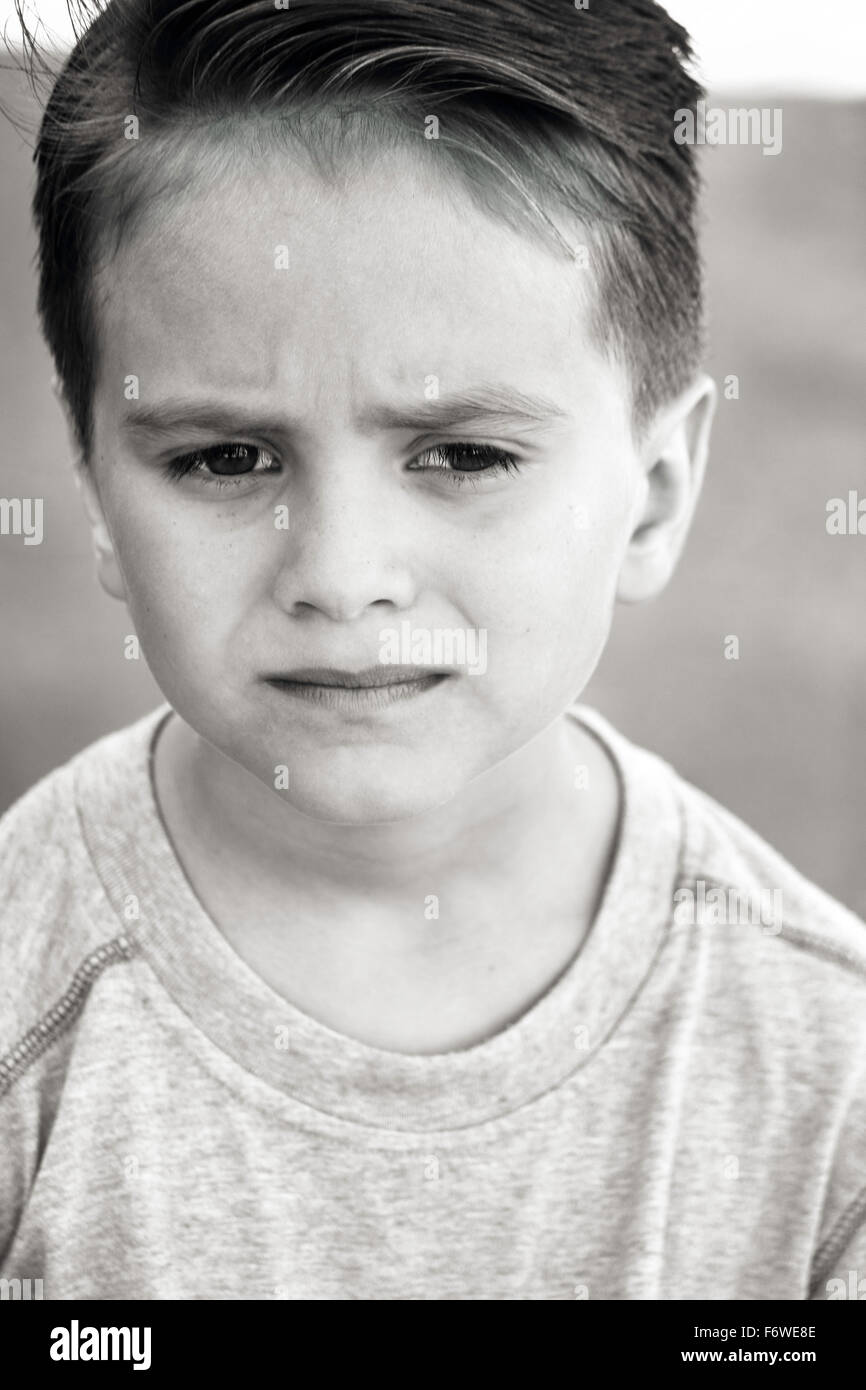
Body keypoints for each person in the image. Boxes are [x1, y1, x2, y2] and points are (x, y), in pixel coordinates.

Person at [1, 0, 863, 1301]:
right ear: (100, 487)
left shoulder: (826, 1080)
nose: (341, 575)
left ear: (654, 493)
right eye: (225, 457)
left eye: (461, 454)